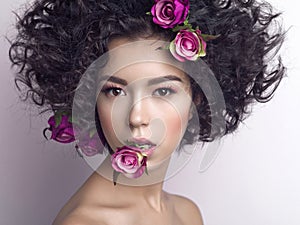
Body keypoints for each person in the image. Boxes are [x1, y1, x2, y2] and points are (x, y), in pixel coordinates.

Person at [8, 0, 285, 224]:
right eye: (115, 91)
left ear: (197, 98)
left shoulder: (187, 213)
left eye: (163, 91)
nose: (136, 118)